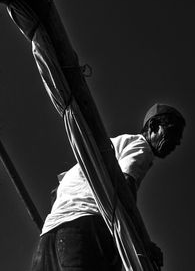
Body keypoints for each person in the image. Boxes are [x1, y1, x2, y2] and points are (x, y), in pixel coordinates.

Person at [31, 103, 186, 271]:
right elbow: (125, 186)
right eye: (173, 132)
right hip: (87, 228)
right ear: (153, 126)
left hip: (49, 235)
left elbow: (55, 193)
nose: (177, 142)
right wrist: (143, 244)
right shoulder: (141, 146)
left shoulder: (101, 150)